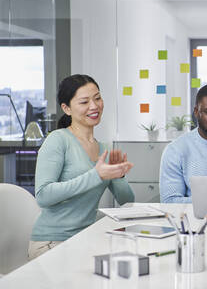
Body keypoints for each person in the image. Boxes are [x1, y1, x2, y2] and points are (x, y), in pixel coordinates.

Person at [29, 74, 135, 260]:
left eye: (97, 98)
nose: (94, 106)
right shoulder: (58, 140)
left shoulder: (104, 149)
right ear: (66, 108)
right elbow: (43, 195)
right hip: (52, 243)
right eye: (84, 102)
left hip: (85, 239)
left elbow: (127, 201)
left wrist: (118, 175)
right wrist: (96, 175)